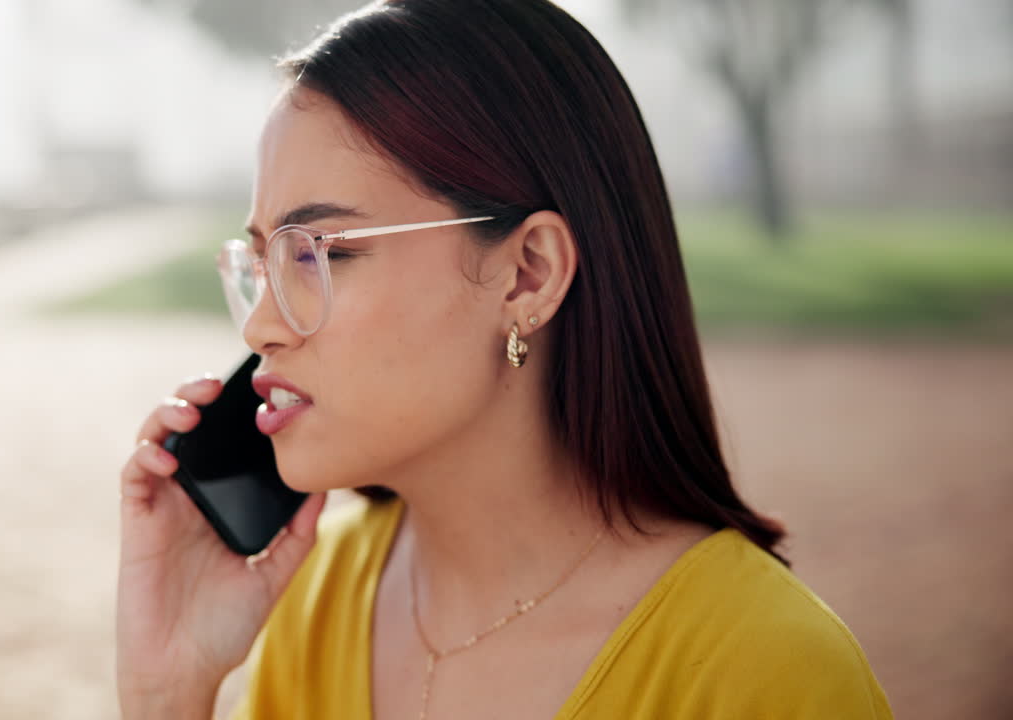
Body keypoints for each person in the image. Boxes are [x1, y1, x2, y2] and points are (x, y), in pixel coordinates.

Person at [115, 1, 895, 718]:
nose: (260, 327)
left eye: (322, 253)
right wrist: (168, 694)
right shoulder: (316, 600)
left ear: (529, 275)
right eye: (260, 263)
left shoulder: (767, 672)